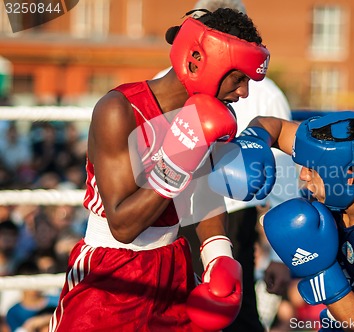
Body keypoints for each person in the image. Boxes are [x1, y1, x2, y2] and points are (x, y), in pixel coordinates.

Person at [49, 8, 271, 331]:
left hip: (172, 267)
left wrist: (218, 254)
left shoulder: (205, 116)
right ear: (201, 61)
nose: (243, 93)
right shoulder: (119, 110)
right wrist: (178, 157)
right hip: (110, 276)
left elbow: (205, 196)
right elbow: (123, 224)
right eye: (238, 79)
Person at [209, 111, 354, 331]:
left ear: (351, 175)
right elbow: (272, 126)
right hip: (338, 321)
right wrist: (254, 141)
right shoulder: (340, 169)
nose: (303, 175)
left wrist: (319, 269)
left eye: (313, 169)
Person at [155, 1, 297, 331]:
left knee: (233, 313)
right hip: (168, 219)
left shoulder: (261, 92)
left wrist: (280, 256)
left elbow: (284, 176)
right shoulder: (157, 87)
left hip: (231, 217)